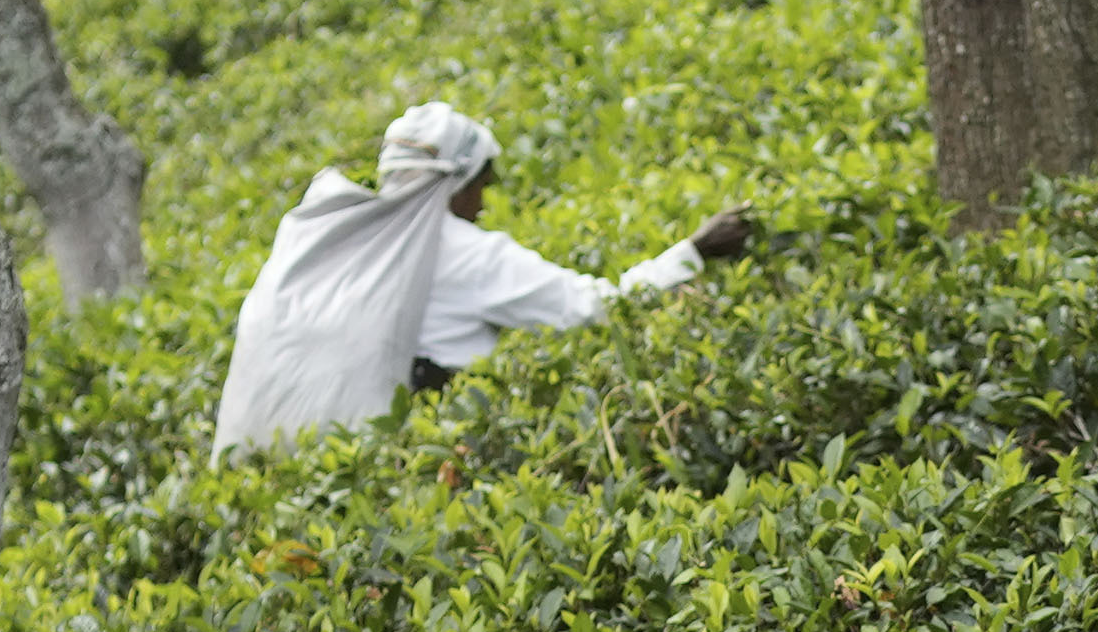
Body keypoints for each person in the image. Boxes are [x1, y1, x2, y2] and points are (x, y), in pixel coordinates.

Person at [208, 101, 756, 451]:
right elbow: (593, 308)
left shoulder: (346, 236)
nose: (484, 202)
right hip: (418, 447)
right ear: (459, 184)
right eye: (482, 185)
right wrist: (694, 251)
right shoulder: (464, 253)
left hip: (300, 459)